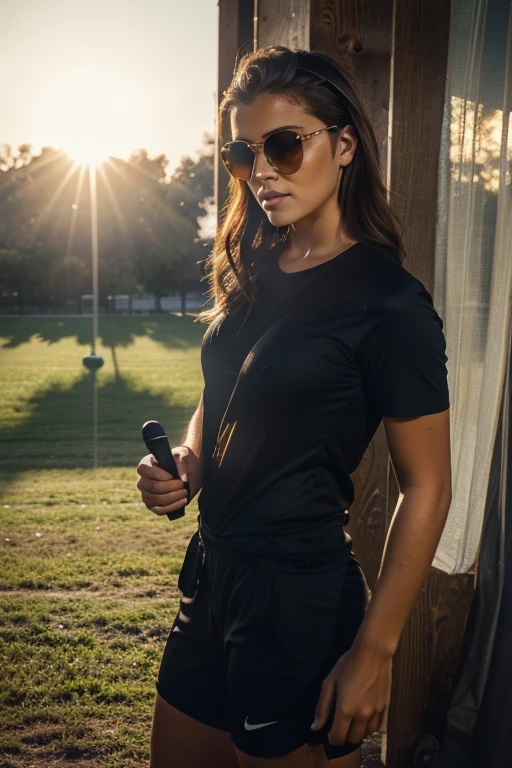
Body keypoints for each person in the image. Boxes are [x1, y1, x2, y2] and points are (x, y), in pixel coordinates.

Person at [136, 46, 452, 768]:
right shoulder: (255, 262)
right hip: (213, 581)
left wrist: (374, 650)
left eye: (286, 144)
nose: (264, 170)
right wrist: (189, 461)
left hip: (298, 605)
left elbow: (429, 486)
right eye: (245, 153)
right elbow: (224, 393)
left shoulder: (388, 304)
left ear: (344, 146)